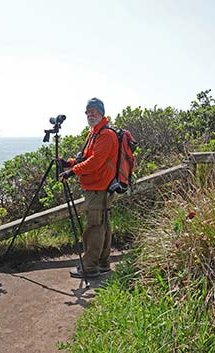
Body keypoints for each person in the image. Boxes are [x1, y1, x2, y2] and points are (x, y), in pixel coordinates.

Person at [59, 97, 119, 278]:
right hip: (99, 186)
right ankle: (102, 263)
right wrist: (68, 163)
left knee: (94, 226)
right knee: (102, 224)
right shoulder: (94, 133)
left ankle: (90, 267)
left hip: (99, 187)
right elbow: (86, 158)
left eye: (93, 111)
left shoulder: (106, 135)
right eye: (87, 112)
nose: (89, 115)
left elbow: (96, 162)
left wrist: (72, 172)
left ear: (101, 113)